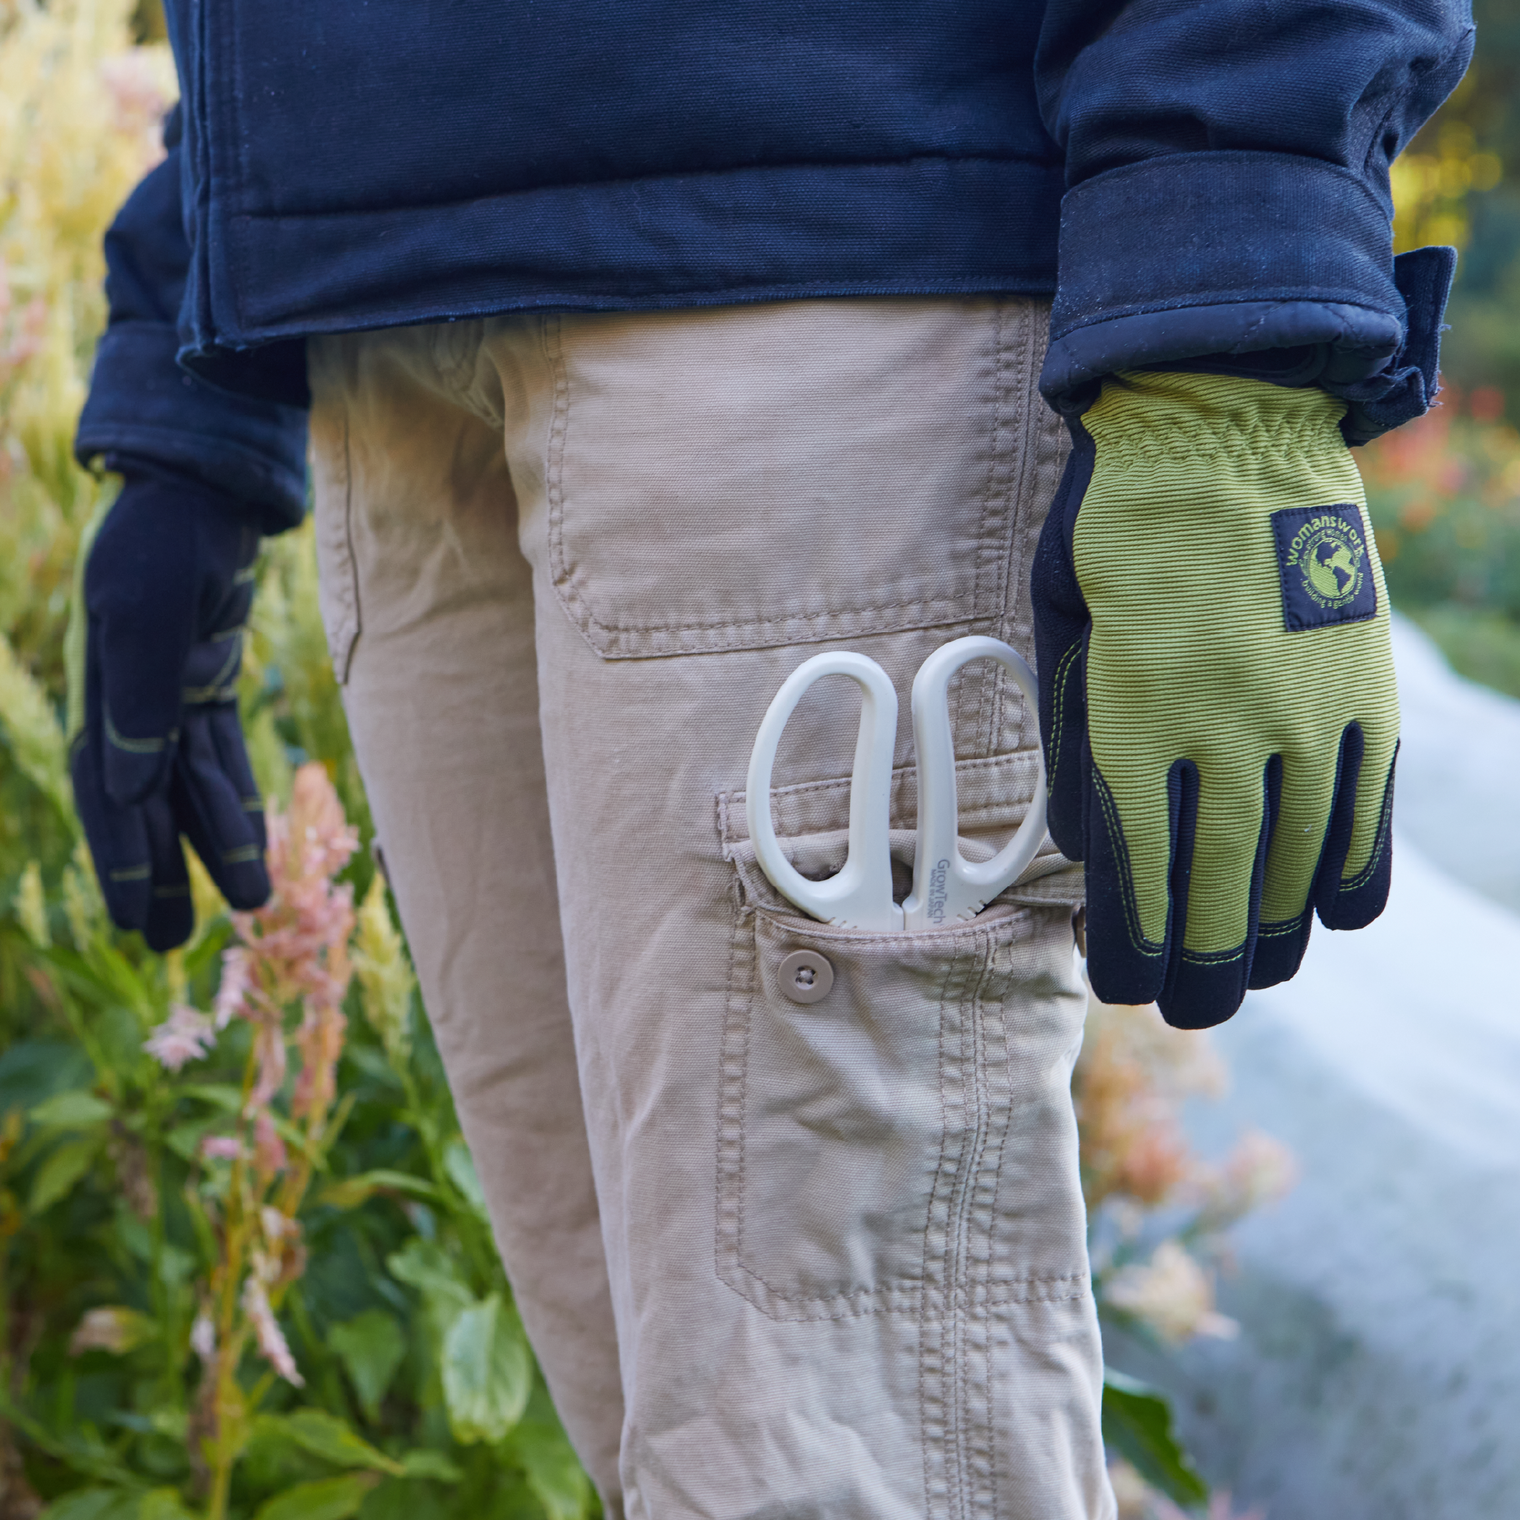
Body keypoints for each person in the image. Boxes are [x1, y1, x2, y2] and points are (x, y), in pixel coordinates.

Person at [71, 3, 1474, 1515]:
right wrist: (185, 365)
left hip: (819, 246)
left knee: (838, 1460)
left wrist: (1232, 363)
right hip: (388, 315)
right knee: (672, 1451)